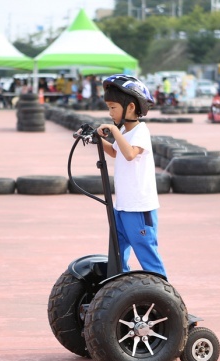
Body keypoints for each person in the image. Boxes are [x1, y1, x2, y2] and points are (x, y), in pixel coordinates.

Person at [94, 74, 166, 277]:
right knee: (118, 254)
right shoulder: (125, 133)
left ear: (131, 107)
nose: (110, 113)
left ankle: (164, 298)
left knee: (146, 254)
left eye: (113, 107)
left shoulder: (141, 131)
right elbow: (116, 152)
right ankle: (120, 293)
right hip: (123, 205)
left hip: (139, 207)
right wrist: (98, 139)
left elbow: (130, 153)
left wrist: (114, 132)